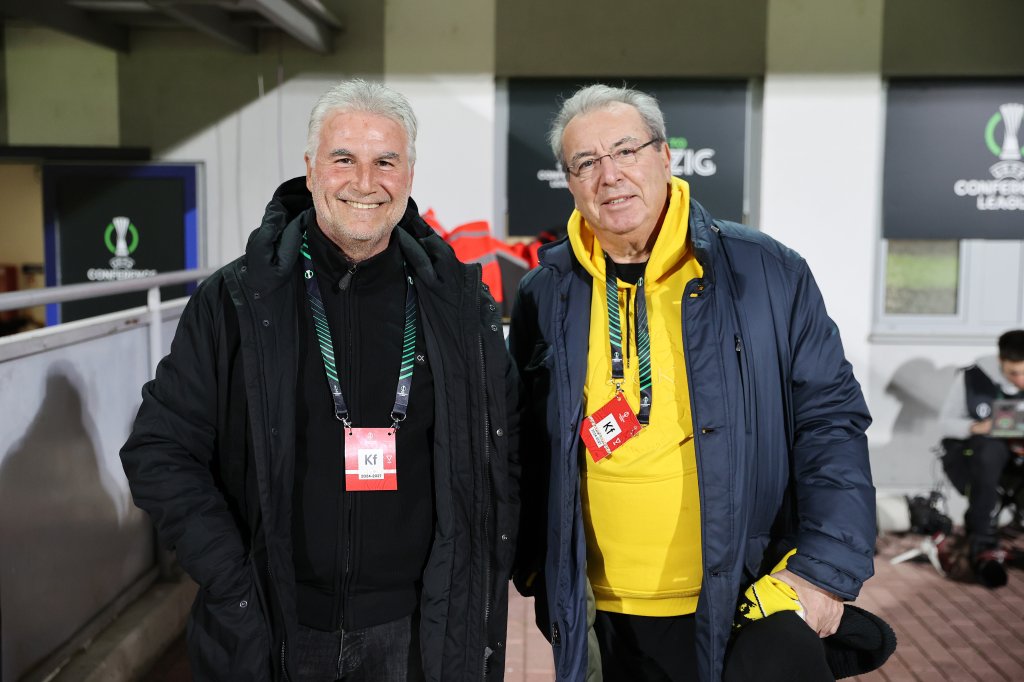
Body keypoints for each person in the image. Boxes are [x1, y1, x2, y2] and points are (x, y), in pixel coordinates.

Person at [120, 79, 519, 681]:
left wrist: (484, 574)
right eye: (344, 159)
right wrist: (233, 580)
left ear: (410, 174)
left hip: (417, 633)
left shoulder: (458, 304)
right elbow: (160, 448)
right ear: (310, 170)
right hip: (275, 623)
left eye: (385, 161)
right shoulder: (236, 300)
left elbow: (506, 446)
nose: (365, 181)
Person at [509, 84, 880, 681]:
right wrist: (535, 566)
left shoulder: (767, 272)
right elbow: (523, 438)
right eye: (586, 162)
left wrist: (822, 571)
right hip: (595, 612)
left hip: (742, 599)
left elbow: (830, 422)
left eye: (626, 151)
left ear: (664, 156)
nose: (610, 175)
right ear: (570, 182)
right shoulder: (545, 292)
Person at [938, 329, 1024, 587]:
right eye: (1014, 373)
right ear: (1000, 361)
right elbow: (945, 424)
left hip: (1017, 460)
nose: (1021, 380)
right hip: (979, 458)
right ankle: (982, 546)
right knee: (989, 450)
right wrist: (977, 427)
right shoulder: (973, 377)